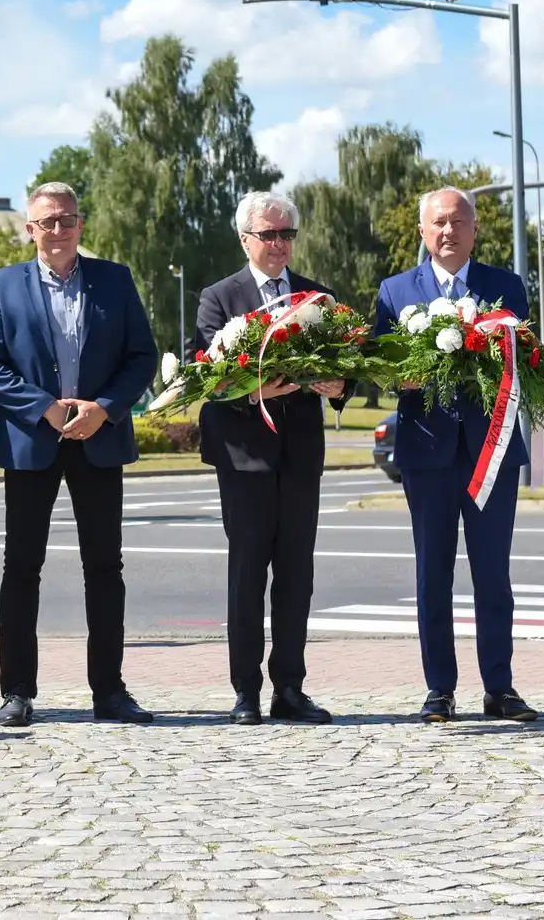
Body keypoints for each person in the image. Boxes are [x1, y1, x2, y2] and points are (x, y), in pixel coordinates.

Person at [0, 181, 158, 727]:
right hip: (33, 444)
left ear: (81, 225)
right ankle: (17, 692)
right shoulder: (3, 286)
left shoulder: (114, 280)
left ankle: (110, 691)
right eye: (47, 221)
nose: (58, 230)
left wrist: (104, 407)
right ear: (30, 229)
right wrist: (44, 408)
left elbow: (140, 356)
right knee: (21, 568)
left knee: (105, 568)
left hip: (100, 441)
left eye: (67, 220)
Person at [371, 187, 536, 724]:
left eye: (459, 222)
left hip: (491, 453)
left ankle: (501, 688)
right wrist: (401, 374)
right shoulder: (395, 292)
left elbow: (523, 363)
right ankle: (439, 690)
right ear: (423, 231)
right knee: (431, 576)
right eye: (439, 222)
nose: (449, 231)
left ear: (475, 229)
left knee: (493, 575)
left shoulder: (506, 287)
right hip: (426, 453)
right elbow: (379, 365)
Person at [193, 191, 345, 727]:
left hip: (301, 456)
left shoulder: (319, 297)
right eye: (269, 235)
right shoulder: (218, 297)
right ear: (246, 239)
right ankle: (245, 691)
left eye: (287, 235)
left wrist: (337, 383)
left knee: (297, 575)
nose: (279, 244)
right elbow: (209, 377)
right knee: (248, 574)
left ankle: (290, 688)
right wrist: (258, 388)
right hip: (244, 458)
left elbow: (345, 365)